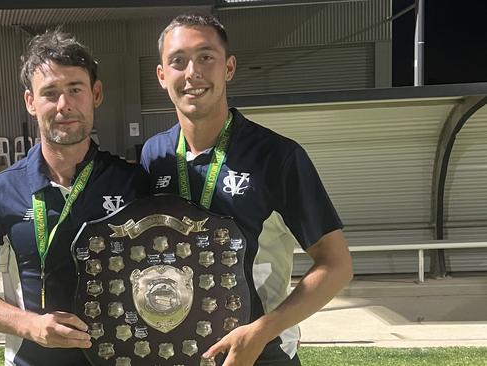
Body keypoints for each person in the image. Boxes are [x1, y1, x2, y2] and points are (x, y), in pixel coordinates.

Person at [140, 14, 353, 366]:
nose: (192, 72)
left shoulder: (277, 156)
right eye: (178, 61)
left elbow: (337, 265)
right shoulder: (155, 155)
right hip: (175, 350)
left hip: (259, 353)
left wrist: (261, 331)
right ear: (162, 76)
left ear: (229, 67)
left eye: (206, 57)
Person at [0, 29, 148, 366]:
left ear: (96, 94)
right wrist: (30, 325)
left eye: (75, 89)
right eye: (50, 92)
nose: (64, 105)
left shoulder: (133, 183)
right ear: (31, 101)